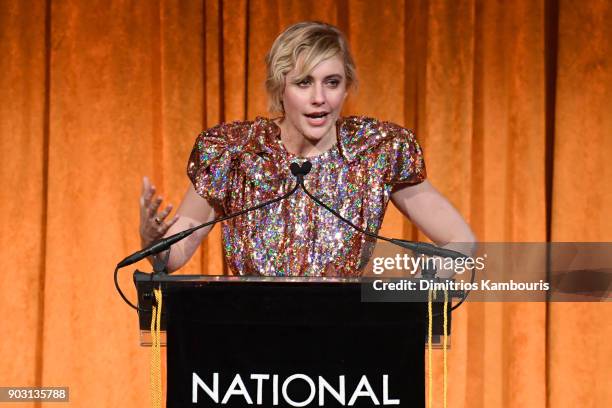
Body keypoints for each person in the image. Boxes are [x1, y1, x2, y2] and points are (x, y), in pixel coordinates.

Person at [139, 21, 475, 276]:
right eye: (304, 83)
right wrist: (153, 242)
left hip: (348, 352)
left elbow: (461, 243)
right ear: (280, 88)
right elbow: (174, 254)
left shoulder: (378, 151)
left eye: (332, 82)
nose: (320, 98)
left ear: (346, 88)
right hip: (249, 350)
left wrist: (404, 299)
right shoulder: (234, 153)